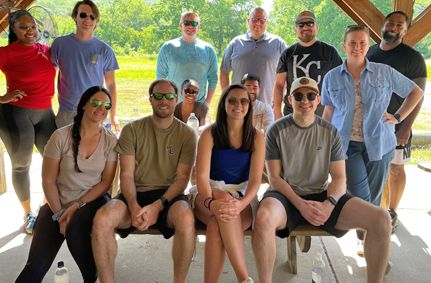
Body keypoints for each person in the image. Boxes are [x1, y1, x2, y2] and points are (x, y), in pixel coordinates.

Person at [252, 76, 393, 283]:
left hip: (321, 194)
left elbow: (339, 178)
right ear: (289, 100)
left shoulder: (330, 132)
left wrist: (329, 204)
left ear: (318, 100)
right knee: (263, 219)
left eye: (311, 95)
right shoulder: (276, 130)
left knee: (381, 219)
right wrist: (300, 205)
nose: (305, 100)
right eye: (298, 96)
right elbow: (274, 178)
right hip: (285, 195)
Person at [321, 25, 423, 260]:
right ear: (344, 46)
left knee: (375, 196)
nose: (357, 47)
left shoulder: (383, 71)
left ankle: (369, 243)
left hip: (380, 143)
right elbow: (328, 114)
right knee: (359, 194)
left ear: (369, 45)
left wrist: (398, 117)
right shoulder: (332, 76)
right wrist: (324, 144)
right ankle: (370, 235)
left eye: (362, 43)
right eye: (352, 43)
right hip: (345, 145)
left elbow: (415, 92)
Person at [92, 79, 197, 283]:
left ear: (177, 99)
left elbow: (183, 179)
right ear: (150, 99)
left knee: (186, 219)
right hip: (134, 194)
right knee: (102, 219)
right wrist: (133, 206)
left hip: (169, 197)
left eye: (168, 96)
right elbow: (127, 175)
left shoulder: (187, 134)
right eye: (158, 96)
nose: (163, 100)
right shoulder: (132, 130)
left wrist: (158, 206)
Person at [16, 86, 118, 283]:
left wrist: (76, 206)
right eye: (96, 103)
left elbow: (106, 182)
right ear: (83, 106)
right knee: (34, 268)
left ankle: (92, 277)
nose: (101, 108)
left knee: (75, 229)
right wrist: (58, 214)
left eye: (107, 105)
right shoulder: (60, 136)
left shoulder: (110, 140)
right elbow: (48, 180)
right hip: (58, 201)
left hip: (93, 200)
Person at [0, 9, 56, 234]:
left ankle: (46, 210)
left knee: (56, 163)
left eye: (33, 26)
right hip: (15, 114)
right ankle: (28, 214)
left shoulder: (46, 51)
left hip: (45, 113)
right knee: (22, 165)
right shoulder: (6, 53)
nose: (30, 31)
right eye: (23, 27)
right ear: (13, 29)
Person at [191, 84, 265, 283]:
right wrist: (210, 202)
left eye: (243, 100)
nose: (237, 105)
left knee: (216, 227)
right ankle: (244, 278)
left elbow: (256, 181)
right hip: (208, 192)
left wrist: (241, 204)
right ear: (223, 104)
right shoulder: (209, 134)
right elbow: (202, 177)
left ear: (250, 105)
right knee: (223, 199)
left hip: (242, 196)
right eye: (232, 100)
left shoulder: (257, 136)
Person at [366, 11, 427, 233]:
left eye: (399, 25)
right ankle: (375, 210)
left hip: (397, 124)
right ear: (383, 25)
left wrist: (405, 126)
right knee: (375, 168)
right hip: (372, 125)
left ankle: (392, 211)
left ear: (405, 30)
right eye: (390, 22)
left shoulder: (412, 58)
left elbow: (418, 94)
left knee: (395, 168)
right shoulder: (370, 52)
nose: (393, 27)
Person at [51, 0, 120, 131]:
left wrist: (113, 115)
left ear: (97, 21)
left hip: (96, 110)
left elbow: (111, 85)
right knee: (66, 151)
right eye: (83, 15)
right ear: (74, 17)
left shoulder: (104, 49)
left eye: (92, 17)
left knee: (93, 151)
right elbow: (49, 76)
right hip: (67, 111)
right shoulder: (60, 44)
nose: (87, 19)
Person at [273, 10, 342, 119]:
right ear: (296, 30)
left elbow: (340, 83)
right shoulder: (288, 53)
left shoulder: (329, 52)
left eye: (309, 24)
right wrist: (277, 112)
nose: (305, 27)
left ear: (316, 27)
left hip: (323, 116)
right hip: (292, 116)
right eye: (301, 25)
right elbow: (279, 84)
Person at [221, 7, 286, 106]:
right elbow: (224, 72)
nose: (258, 23)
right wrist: (227, 97)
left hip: (268, 106)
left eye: (262, 20)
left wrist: (279, 103)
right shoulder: (235, 43)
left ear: (267, 22)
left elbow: (286, 74)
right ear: (248, 21)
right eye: (254, 19)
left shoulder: (278, 43)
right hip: (238, 106)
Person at [156, 11, 218, 105]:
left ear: (198, 27)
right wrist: (164, 101)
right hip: (173, 103)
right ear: (181, 25)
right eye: (186, 23)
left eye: (194, 23)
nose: (190, 26)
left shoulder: (208, 49)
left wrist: (206, 103)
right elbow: (160, 77)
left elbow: (213, 78)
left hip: (199, 104)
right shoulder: (168, 47)